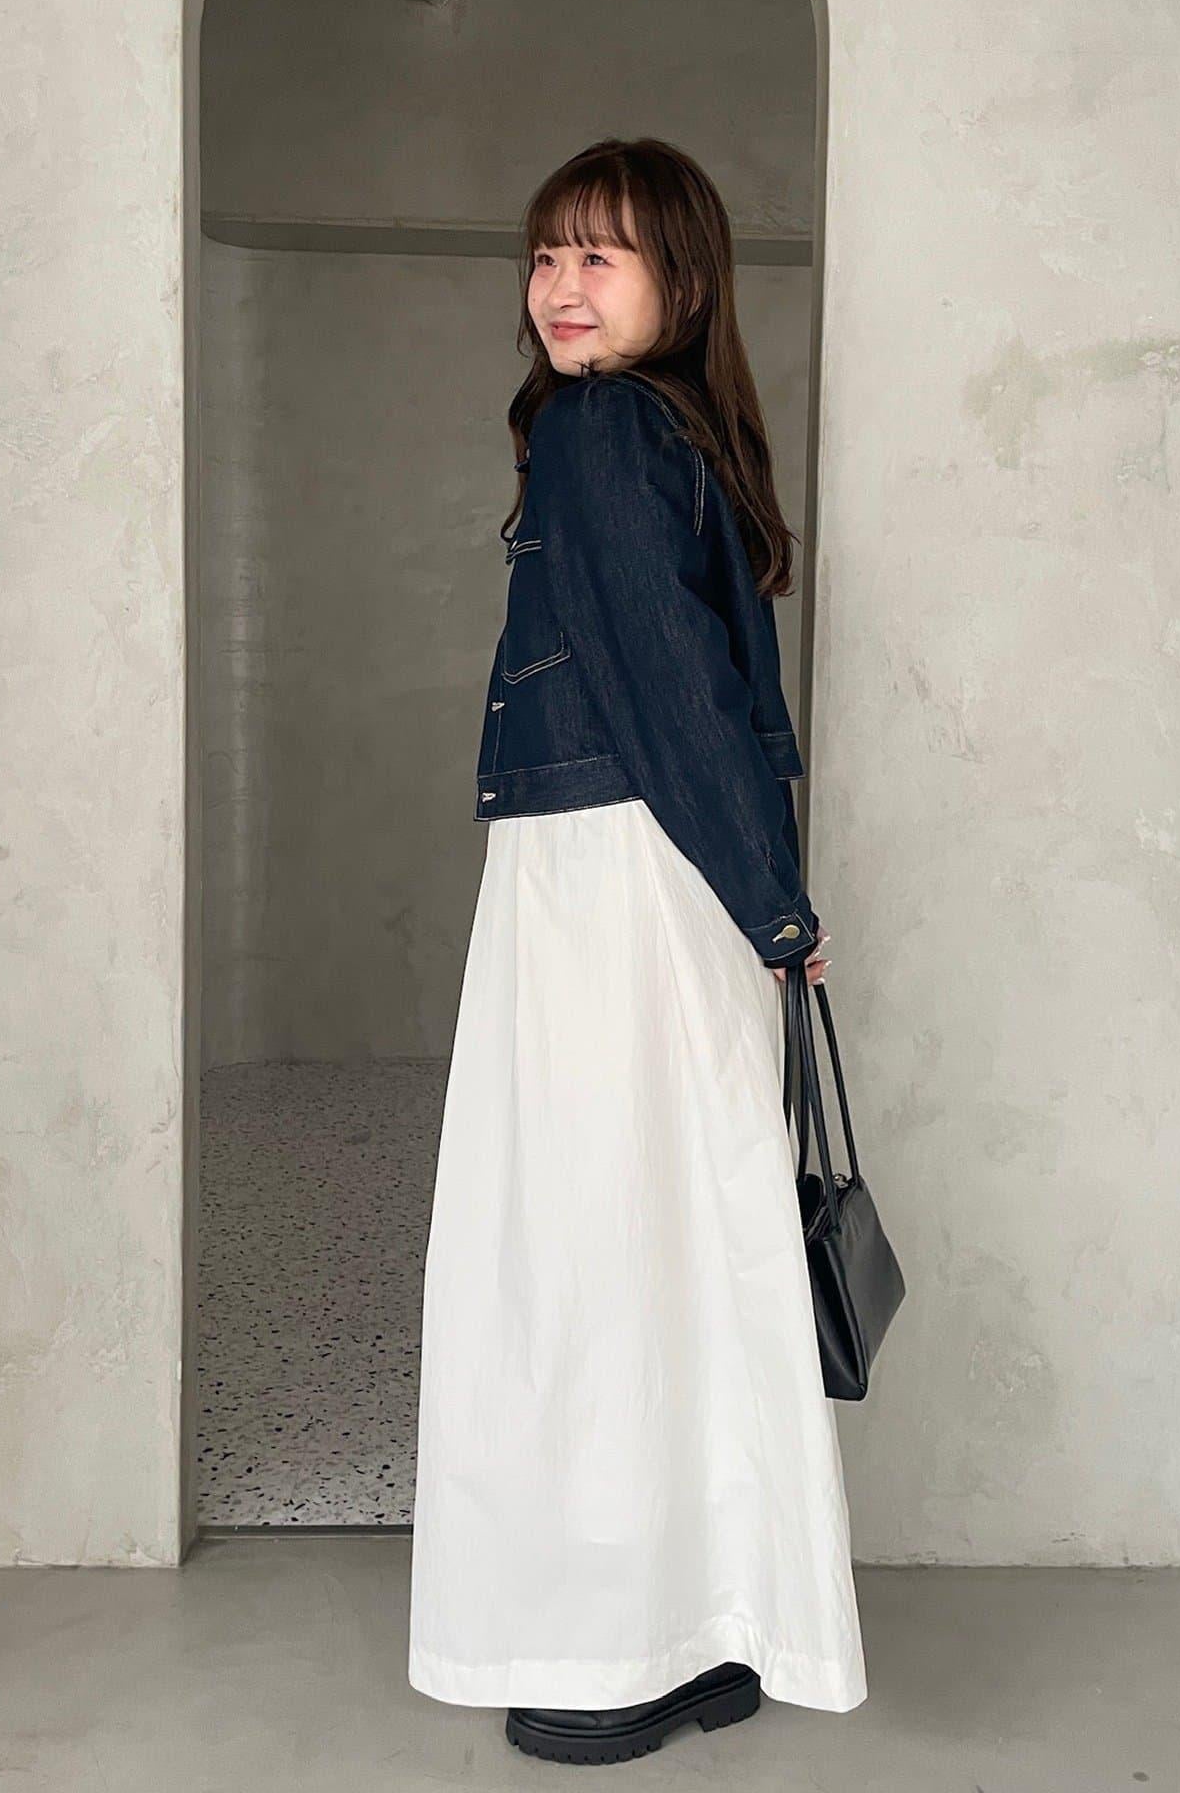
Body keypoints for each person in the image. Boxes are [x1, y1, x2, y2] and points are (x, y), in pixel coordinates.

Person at [407, 136, 867, 1765]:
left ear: (684, 279)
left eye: (600, 254)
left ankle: (622, 1642)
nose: (561, 285)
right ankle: (689, 1628)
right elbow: (698, 692)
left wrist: (774, 906)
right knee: (671, 1248)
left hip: (616, 876)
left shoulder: (605, 429)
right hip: (651, 874)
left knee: (594, 1252)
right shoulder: (651, 430)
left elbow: (676, 695)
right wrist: (772, 903)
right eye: (546, 254)